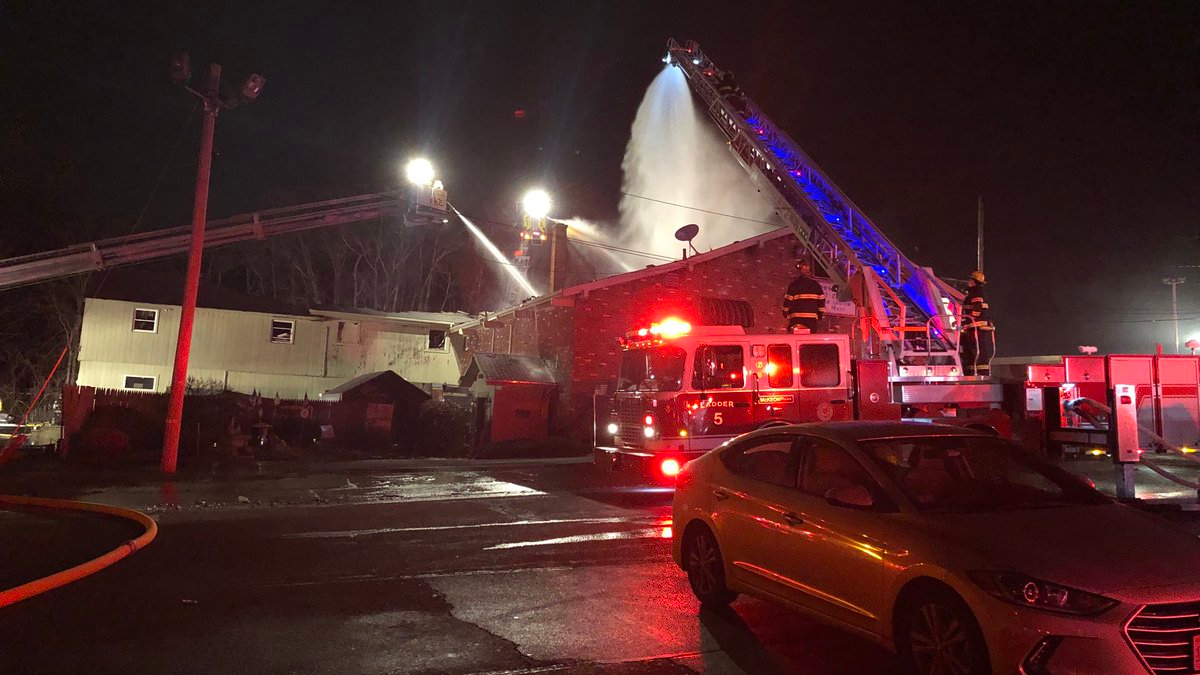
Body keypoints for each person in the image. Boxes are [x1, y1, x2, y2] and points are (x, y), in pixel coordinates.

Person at [960, 270, 995, 376]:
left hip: (976, 324)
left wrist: (971, 318)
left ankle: (978, 369)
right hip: (977, 323)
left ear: (973, 281)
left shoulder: (976, 291)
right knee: (976, 346)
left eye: (970, 279)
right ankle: (975, 368)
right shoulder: (976, 290)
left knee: (975, 347)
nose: (968, 281)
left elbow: (977, 306)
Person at [783, 260, 826, 333]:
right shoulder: (816, 285)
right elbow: (821, 302)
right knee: (810, 338)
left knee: (794, 337)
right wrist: (820, 315)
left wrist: (785, 312)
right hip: (811, 320)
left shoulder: (794, 285)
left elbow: (787, 302)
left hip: (796, 319)